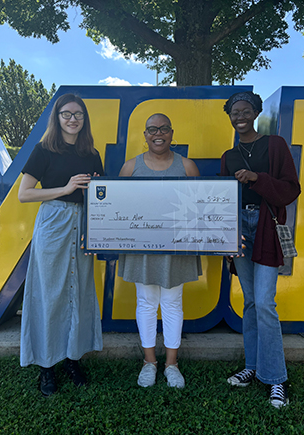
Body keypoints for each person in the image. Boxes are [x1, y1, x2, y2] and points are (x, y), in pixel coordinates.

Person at [18, 93, 104, 397]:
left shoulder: (91, 154)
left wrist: (96, 190)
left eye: (78, 114)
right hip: (53, 223)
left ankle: (72, 358)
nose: (73, 119)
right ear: (57, 118)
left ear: (85, 119)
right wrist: (65, 188)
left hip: (83, 224)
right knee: (49, 293)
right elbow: (24, 194)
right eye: (66, 114)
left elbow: (101, 197)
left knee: (77, 292)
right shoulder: (44, 150)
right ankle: (46, 366)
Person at [220, 91, 300, 408]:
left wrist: (257, 178)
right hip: (240, 229)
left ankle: (276, 379)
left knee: (265, 303)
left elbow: (291, 189)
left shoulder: (275, 145)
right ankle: (252, 367)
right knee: (251, 302)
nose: (239, 116)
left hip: (266, 227)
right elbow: (223, 200)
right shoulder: (229, 156)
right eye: (233, 112)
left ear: (255, 113)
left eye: (244, 111)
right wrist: (225, 237)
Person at [117, 113, 202, 389]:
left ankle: (172, 364)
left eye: (164, 128)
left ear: (171, 132)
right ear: (145, 134)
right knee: (145, 301)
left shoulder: (187, 167)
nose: (158, 133)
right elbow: (117, 209)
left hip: (175, 249)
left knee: (173, 303)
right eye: (152, 129)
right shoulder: (130, 168)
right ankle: (149, 362)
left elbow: (198, 211)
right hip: (142, 249)